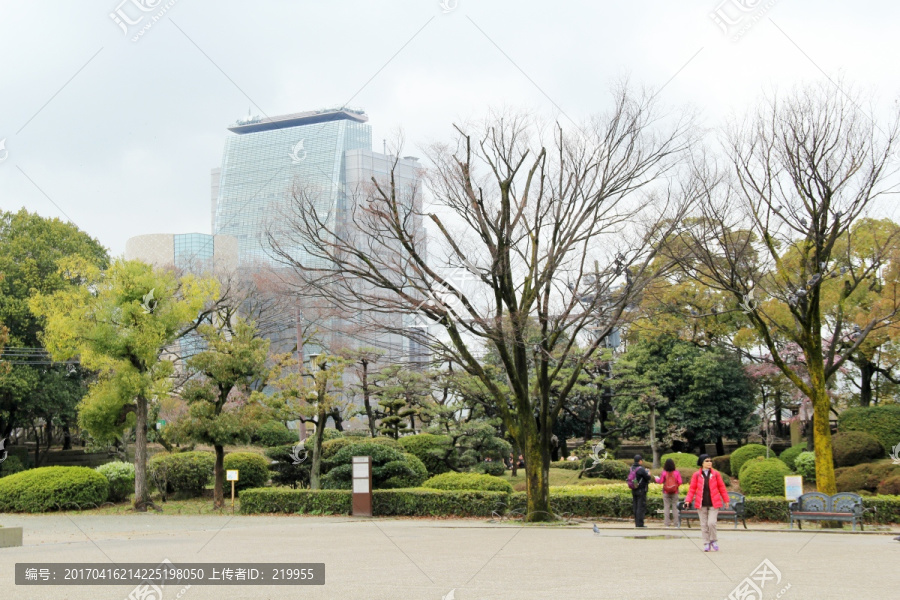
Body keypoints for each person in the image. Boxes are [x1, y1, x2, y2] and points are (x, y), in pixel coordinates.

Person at [683, 454, 729, 551]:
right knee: (704, 524)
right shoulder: (696, 475)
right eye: (707, 461)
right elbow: (692, 489)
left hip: (714, 502)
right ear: (702, 463)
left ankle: (713, 540)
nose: (709, 463)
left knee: (711, 523)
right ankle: (706, 543)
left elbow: (722, 488)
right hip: (701, 503)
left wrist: (726, 500)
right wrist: (688, 500)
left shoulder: (716, 474)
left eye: (710, 461)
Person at [656, 458, 683, 527]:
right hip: (675, 491)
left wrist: (657, 479)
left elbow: (660, 481)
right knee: (675, 508)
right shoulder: (676, 472)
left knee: (666, 507)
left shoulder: (664, 472)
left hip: (666, 492)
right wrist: (675, 486)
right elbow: (680, 482)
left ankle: (667, 524)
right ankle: (676, 524)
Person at [629, 454, 653, 528]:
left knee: (635, 506)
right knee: (640, 507)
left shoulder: (631, 468)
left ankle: (637, 523)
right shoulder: (641, 469)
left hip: (634, 489)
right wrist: (648, 473)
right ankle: (640, 524)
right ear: (640, 461)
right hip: (641, 490)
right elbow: (648, 477)